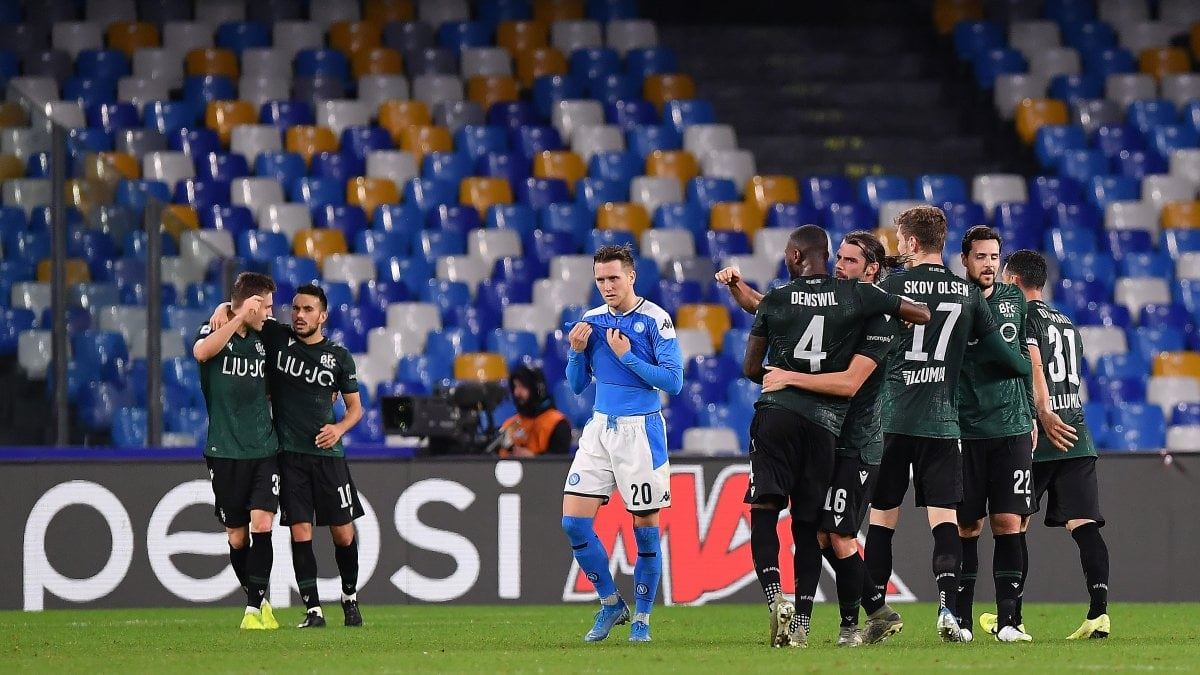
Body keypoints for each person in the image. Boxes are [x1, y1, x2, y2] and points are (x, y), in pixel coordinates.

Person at [738, 225, 931, 648]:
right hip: (829, 431)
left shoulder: (875, 314)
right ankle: (851, 616)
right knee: (818, 531)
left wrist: (787, 376)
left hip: (857, 440)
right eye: (838, 257)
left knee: (835, 534)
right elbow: (770, 304)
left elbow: (847, 384)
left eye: (850, 260)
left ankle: (850, 625)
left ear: (871, 270)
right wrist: (738, 287)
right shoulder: (851, 302)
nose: (840, 266)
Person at [866, 206, 1031, 643]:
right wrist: (1022, 359)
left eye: (901, 240)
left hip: (893, 418)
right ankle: (947, 610)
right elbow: (1010, 359)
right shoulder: (967, 294)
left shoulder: (891, 285)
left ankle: (875, 612)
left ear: (912, 242)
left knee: (882, 520)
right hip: (942, 424)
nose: (899, 247)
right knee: (945, 522)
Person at [210, 283, 365, 629]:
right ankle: (313, 610)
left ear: (323, 316)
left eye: (308, 310)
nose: (299, 315)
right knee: (300, 532)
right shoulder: (277, 337)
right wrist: (223, 307)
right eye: (295, 308)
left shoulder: (339, 356)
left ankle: (349, 597)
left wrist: (339, 428)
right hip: (290, 455)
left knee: (343, 533)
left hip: (328, 454)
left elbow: (356, 409)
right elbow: (244, 310)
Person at [560, 244, 683, 644]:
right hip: (599, 429)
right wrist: (576, 353)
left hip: (641, 433)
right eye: (600, 279)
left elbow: (673, 382)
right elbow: (577, 385)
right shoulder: (591, 321)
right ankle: (611, 603)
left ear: (631, 276)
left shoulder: (656, 320)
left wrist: (627, 357)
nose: (607, 286)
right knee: (573, 523)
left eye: (614, 278)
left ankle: (642, 618)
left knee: (644, 532)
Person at [1002, 249, 1111, 640]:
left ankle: (1014, 619)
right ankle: (1099, 613)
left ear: (1014, 281)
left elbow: (1034, 365)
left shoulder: (1023, 316)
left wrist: (1041, 413)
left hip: (1040, 435)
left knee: (1014, 523)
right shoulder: (1065, 322)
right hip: (1077, 435)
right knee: (1084, 525)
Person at [954, 226, 1037, 643]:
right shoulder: (954, 300)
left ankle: (1008, 621)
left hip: (1011, 426)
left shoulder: (1014, 300)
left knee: (1008, 522)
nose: (988, 264)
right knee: (968, 526)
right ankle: (962, 620)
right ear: (965, 259)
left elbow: (1023, 357)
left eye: (993, 257)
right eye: (980, 256)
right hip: (966, 429)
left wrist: (1032, 414)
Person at [192, 272, 280, 630]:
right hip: (225, 449)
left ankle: (252, 609)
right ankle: (259, 600)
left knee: (263, 523)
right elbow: (201, 352)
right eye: (266, 306)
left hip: (263, 447)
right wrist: (235, 314)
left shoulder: (267, 335)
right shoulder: (213, 329)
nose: (271, 313)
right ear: (251, 304)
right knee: (237, 536)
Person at [498, 364, 572, 457]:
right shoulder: (510, 424)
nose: (517, 392)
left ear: (538, 390)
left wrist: (533, 458)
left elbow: (560, 462)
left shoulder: (557, 423)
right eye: (515, 387)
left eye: (522, 386)